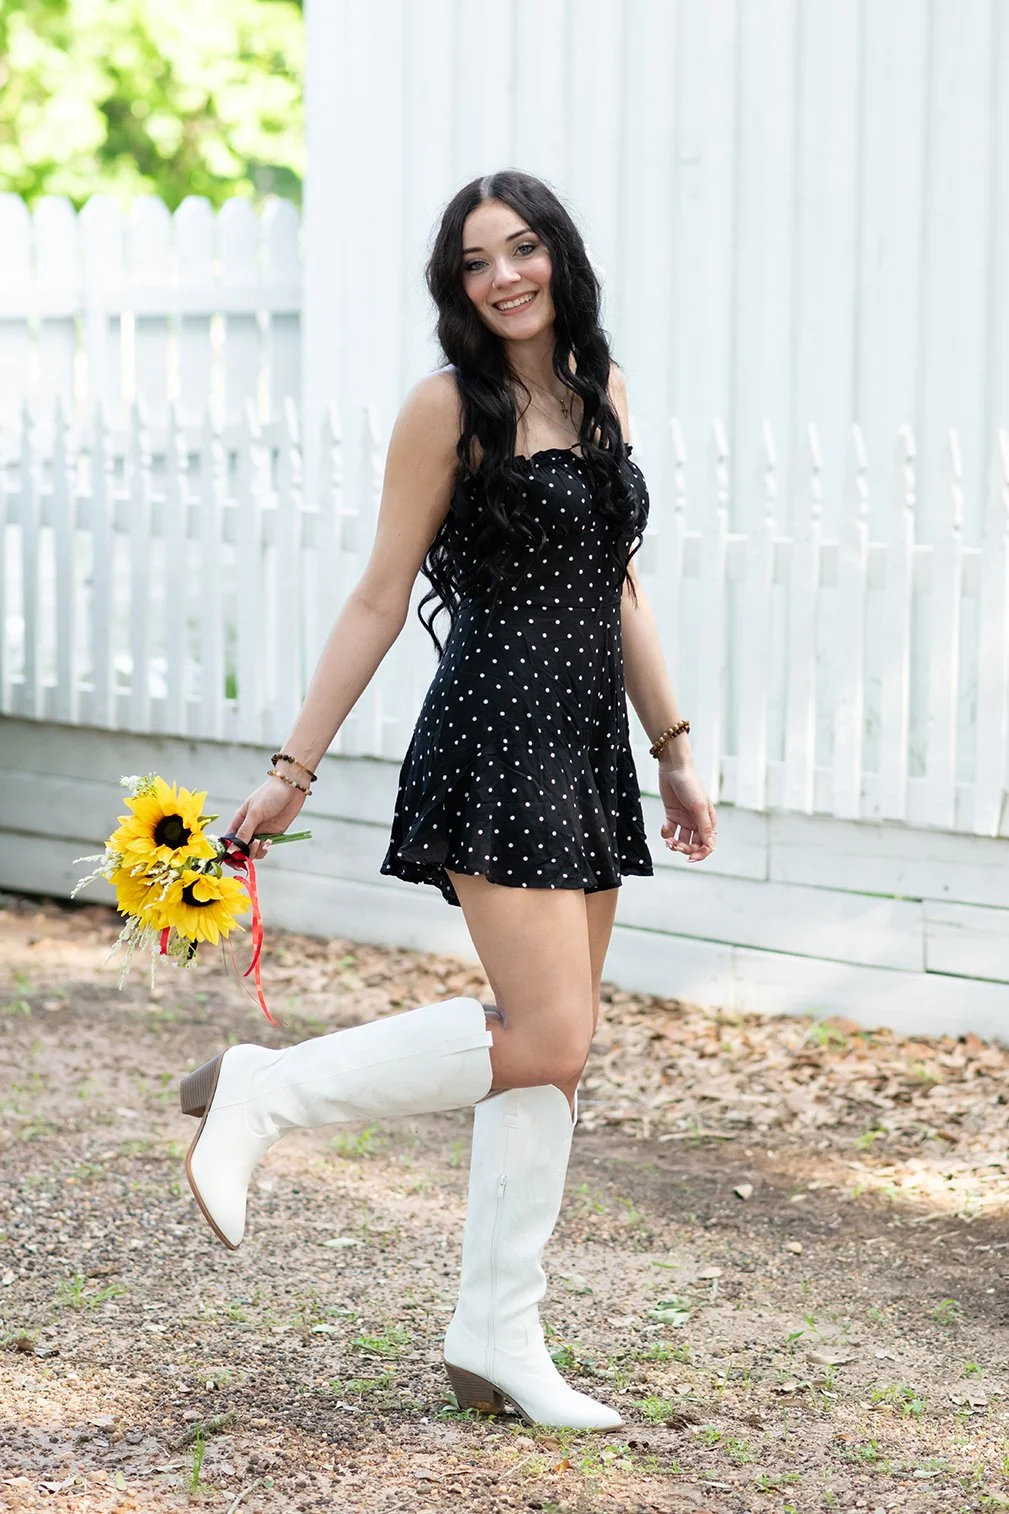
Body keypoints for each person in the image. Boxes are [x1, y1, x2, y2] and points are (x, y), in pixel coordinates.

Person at [179, 170, 716, 1431]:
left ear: (557, 256)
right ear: (456, 286)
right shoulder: (446, 409)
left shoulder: (600, 386)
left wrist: (673, 744)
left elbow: (618, 582)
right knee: (550, 1034)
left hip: (583, 747)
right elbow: (379, 593)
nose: (503, 276)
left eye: (521, 249)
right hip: (495, 737)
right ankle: (264, 1089)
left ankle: (495, 1333)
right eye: (476, 262)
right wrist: (292, 769)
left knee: (550, 1053)